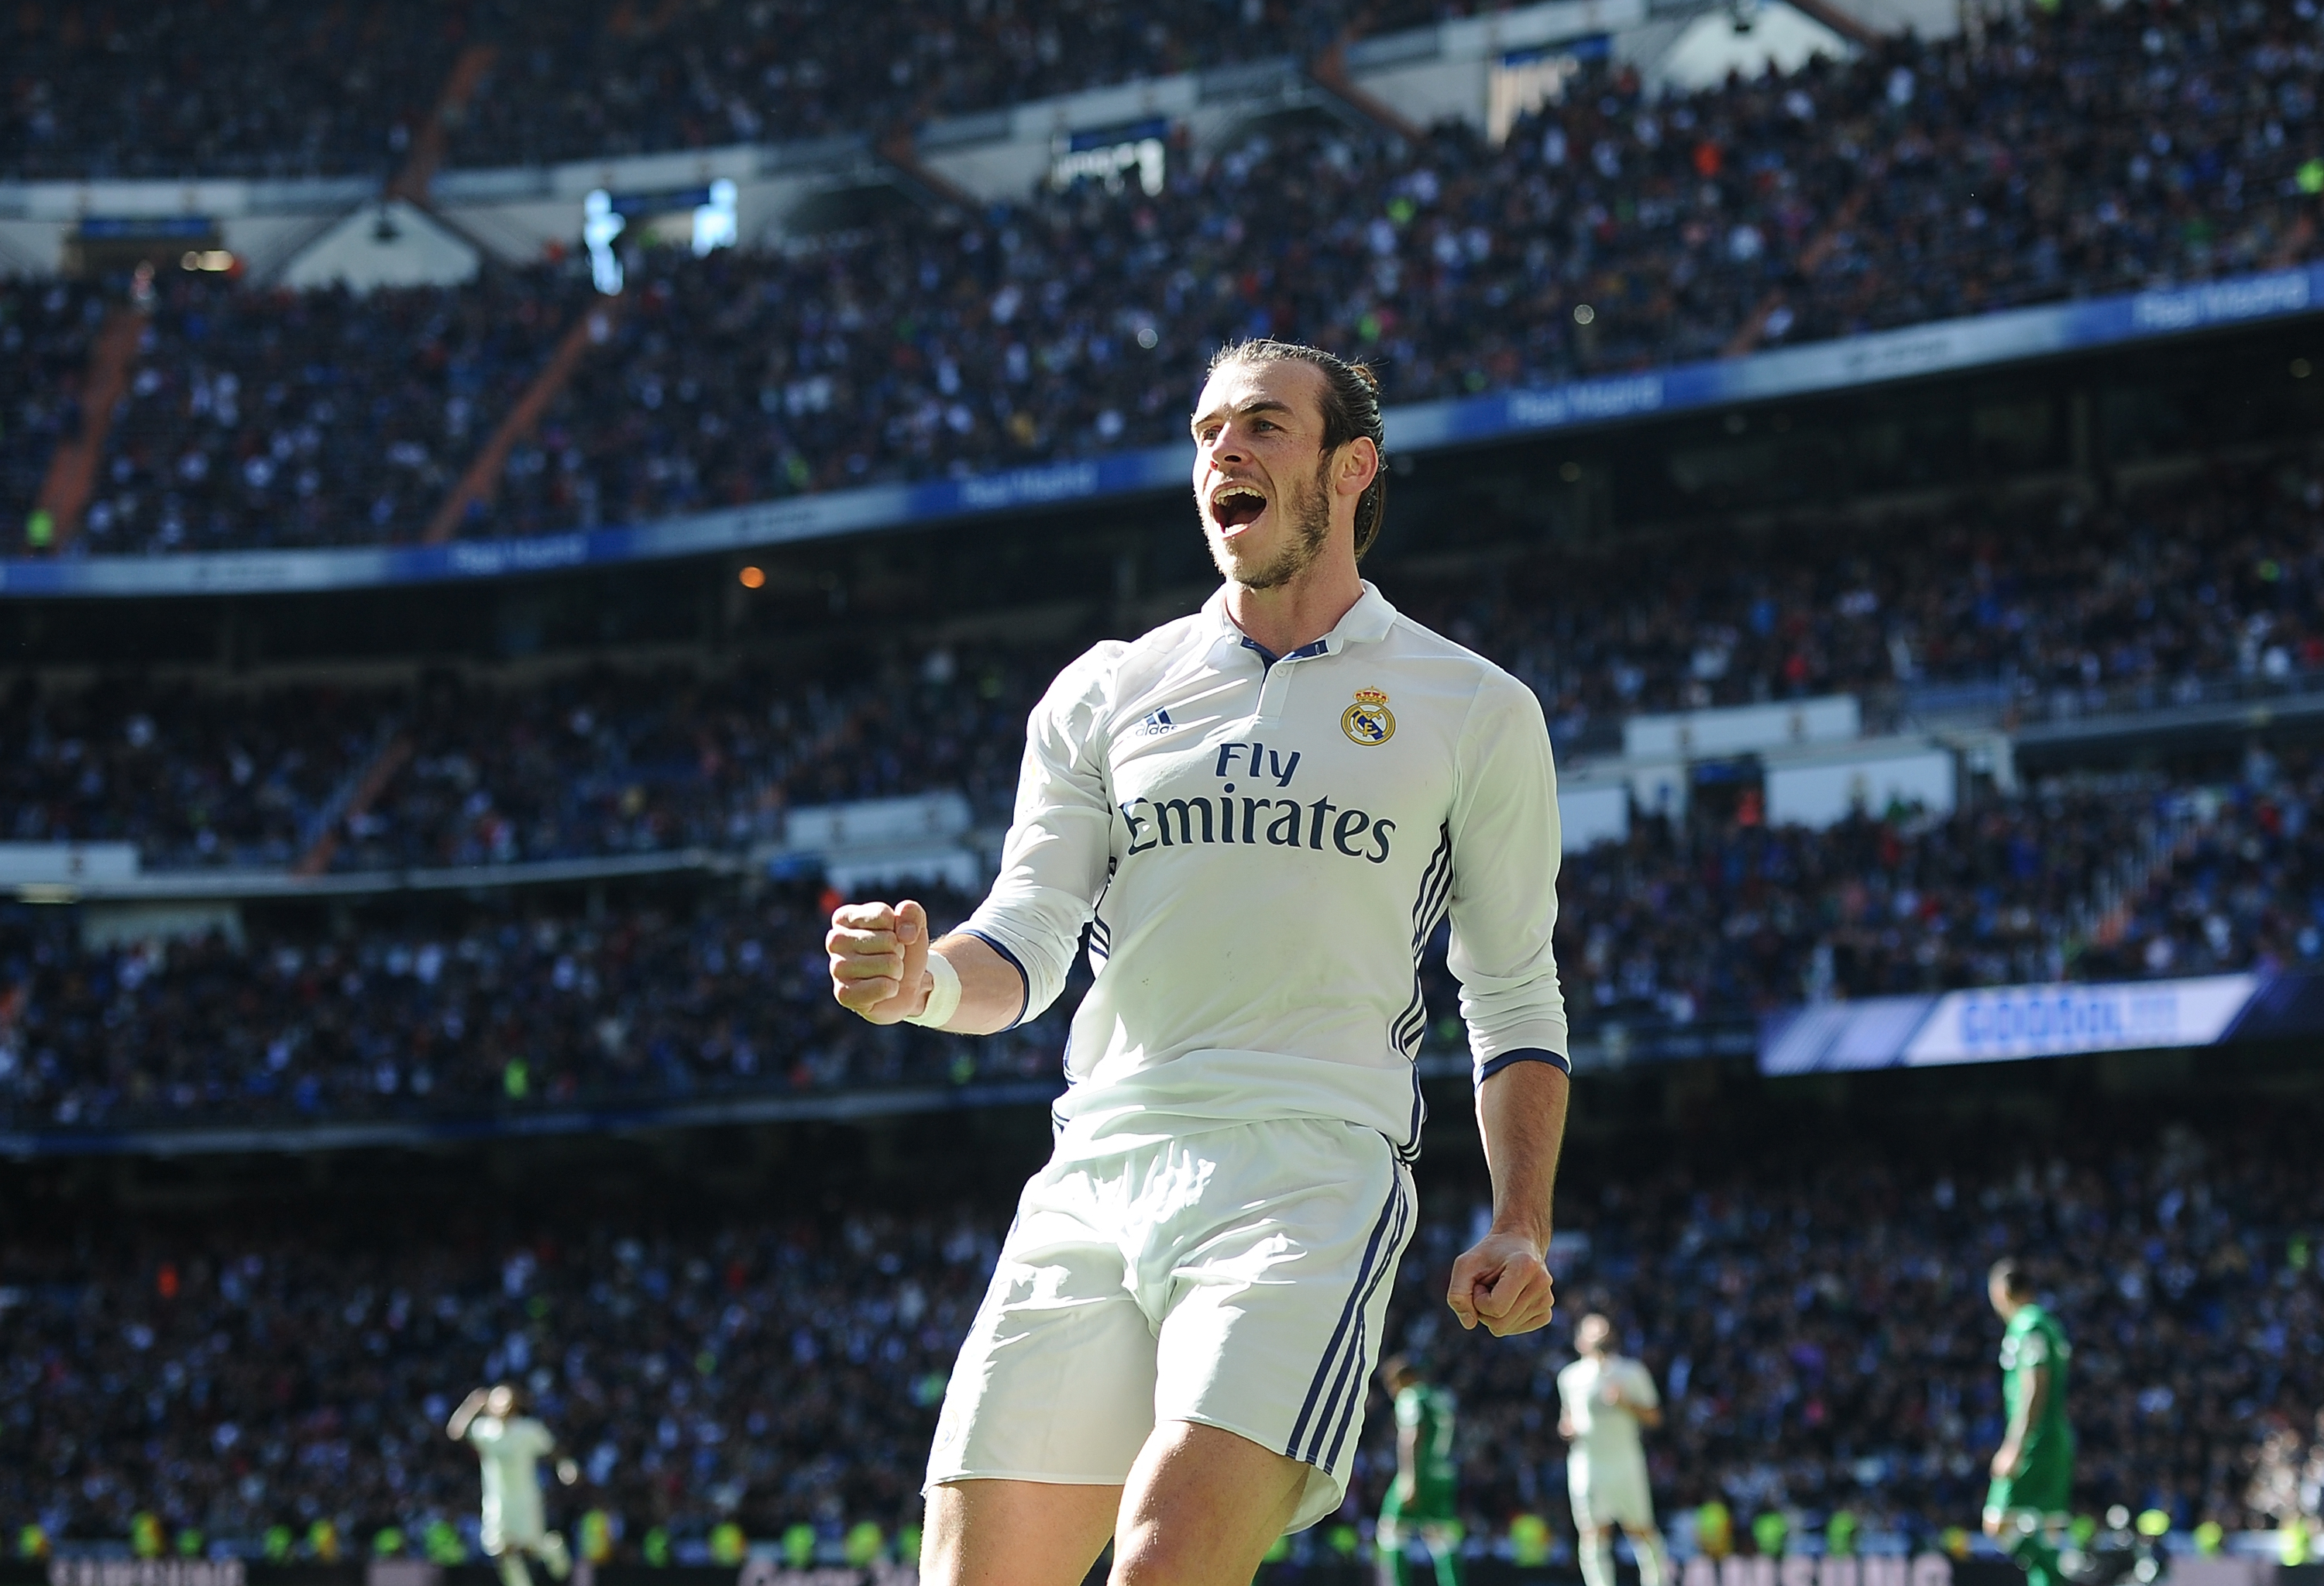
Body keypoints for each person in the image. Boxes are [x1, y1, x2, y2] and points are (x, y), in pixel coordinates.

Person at [827, 339, 1571, 1586]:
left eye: (1264, 425)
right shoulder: (1107, 689)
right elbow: (1026, 933)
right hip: (1097, 1168)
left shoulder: (1474, 706)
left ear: (1352, 469)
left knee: (1166, 1552)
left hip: (1310, 1171)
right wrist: (924, 985)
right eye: (1205, 430)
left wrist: (1523, 1219)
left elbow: (1510, 992)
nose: (1221, 450)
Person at [1556, 1313, 1670, 1586]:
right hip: (1588, 1465)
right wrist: (1566, 1428)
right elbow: (1567, 1417)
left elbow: (1655, 1417)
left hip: (1625, 1463)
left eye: (1603, 1331)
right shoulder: (1570, 1377)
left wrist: (1625, 1403)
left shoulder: (1631, 1372)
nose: (1599, 1336)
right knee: (1592, 1534)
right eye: (1592, 1331)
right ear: (1580, 1340)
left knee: (1641, 1531)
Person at [1985, 1259, 2074, 1586]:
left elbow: (2036, 1382)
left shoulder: (2028, 1324)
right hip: (2056, 1440)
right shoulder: (2049, 1324)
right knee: (2044, 1533)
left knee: (1997, 1523)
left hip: (2037, 1443)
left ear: (2001, 1292)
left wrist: (2015, 1444)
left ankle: (2063, 1581)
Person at [447, 1383, 579, 1586]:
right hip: (497, 1501)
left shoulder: (528, 1430)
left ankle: (552, 1548)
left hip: (526, 1500)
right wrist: (472, 1404)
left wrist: (565, 1466)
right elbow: (455, 1433)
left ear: (515, 1405)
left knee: (530, 1549)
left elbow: (553, 1450)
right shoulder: (485, 1431)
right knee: (500, 1548)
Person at [1377, 1356, 1463, 1586]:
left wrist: (1409, 1478)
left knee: (1390, 1530)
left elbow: (1411, 1437)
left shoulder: (1411, 1397)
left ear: (1405, 1378)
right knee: (1441, 1538)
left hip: (1420, 1474)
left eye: (1392, 1383)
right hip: (1443, 1473)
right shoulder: (1441, 1398)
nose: (1391, 1390)